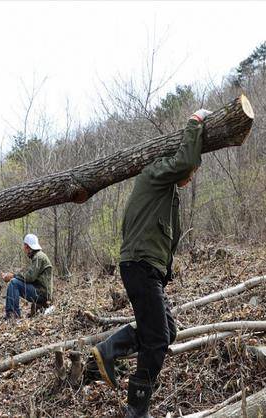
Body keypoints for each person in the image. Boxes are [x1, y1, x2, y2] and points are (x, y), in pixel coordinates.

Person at [90, 109, 211, 417]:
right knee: (156, 338)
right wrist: (194, 123)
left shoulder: (164, 192)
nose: (190, 174)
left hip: (145, 269)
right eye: (188, 169)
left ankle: (112, 348)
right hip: (140, 266)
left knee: (166, 330)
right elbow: (185, 161)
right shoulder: (155, 174)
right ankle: (136, 407)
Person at [1, 233, 53, 319]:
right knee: (15, 281)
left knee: (14, 283)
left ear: (27, 246)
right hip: (42, 293)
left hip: (42, 294)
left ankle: (12, 315)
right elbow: (30, 276)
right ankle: (12, 314)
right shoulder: (38, 257)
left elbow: (30, 277)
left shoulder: (38, 257)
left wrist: (12, 276)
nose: (24, 249)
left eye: (24, 246)